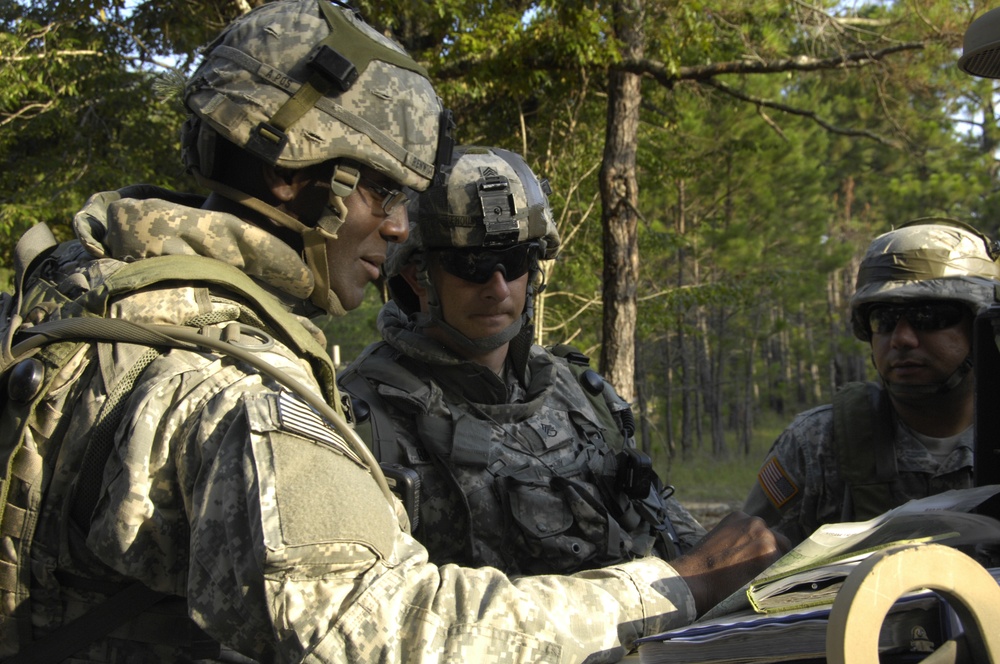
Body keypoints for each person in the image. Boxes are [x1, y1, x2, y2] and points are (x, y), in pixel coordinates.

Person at [0, 2, 787, 662]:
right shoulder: (234, 388)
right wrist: (675, 586)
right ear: (292, 176)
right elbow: (388, 629)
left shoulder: (82, 300)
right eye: (383, 193)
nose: (399, 226)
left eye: (515, 263)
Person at [339, 145, 707, 576]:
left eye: (513, 261)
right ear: (415, 276)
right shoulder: (360, 423)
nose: (498, 288)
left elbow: (668, 529)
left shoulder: (576, 388)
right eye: (472, 264)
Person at [743, 218, 1000, 545]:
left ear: (982, 327)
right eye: (884, 319)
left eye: (929, 317)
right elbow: (748, 561)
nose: (902, 339)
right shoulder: (818, 443)